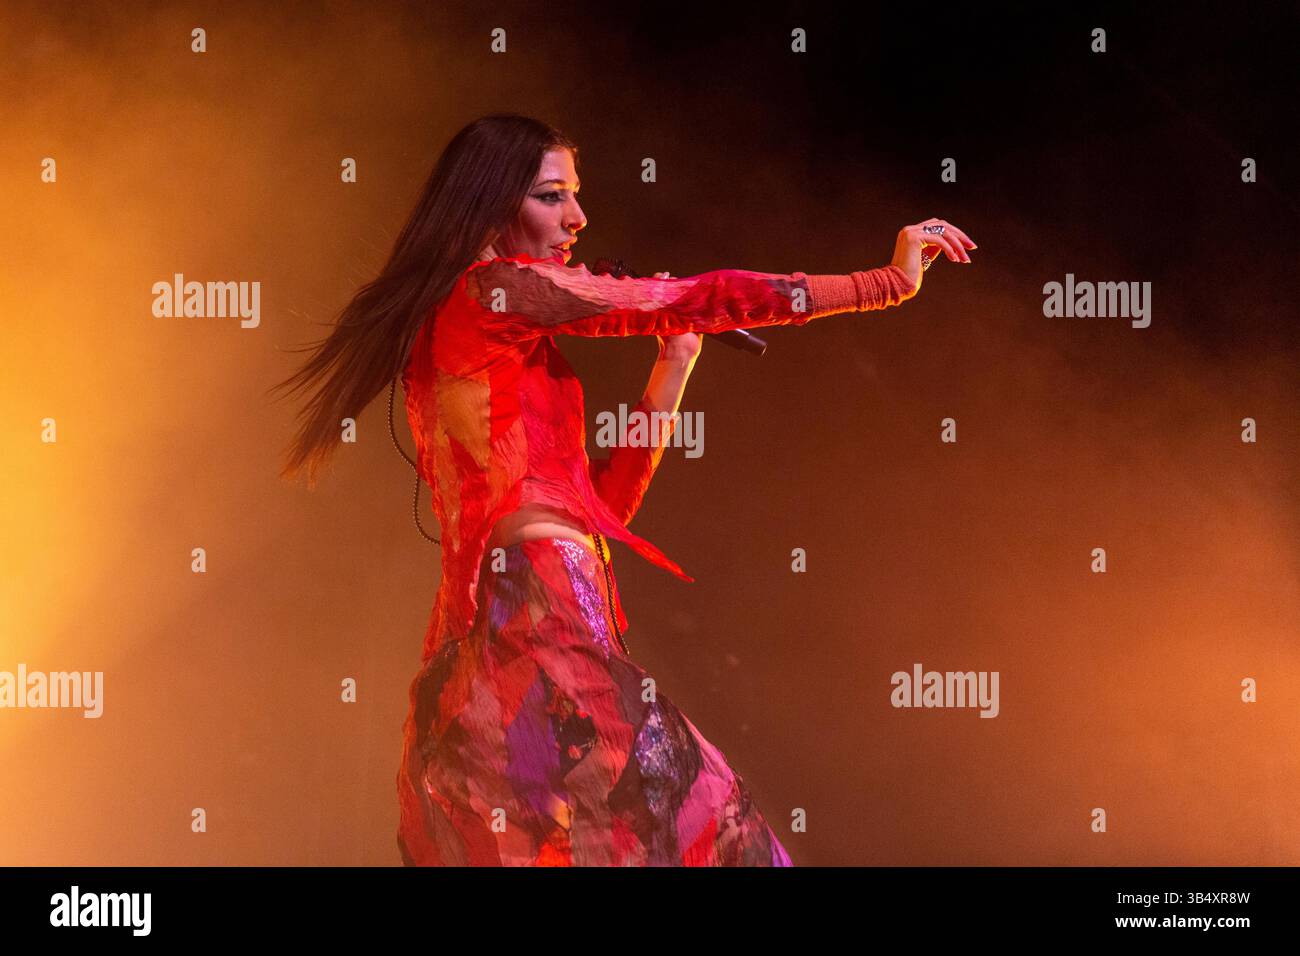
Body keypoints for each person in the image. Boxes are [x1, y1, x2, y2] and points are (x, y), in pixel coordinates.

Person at [272, 113, 976, 866]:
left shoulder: (472, 331)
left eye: (574, 196)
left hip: (529, 623)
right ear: (489, 203)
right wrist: (887, 282)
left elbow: (603, 510)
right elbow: (701, 293)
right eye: (552, 197)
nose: (578, 217)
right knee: (713, 838)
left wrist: (673, 364)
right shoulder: (495, 293)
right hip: (538, 621)